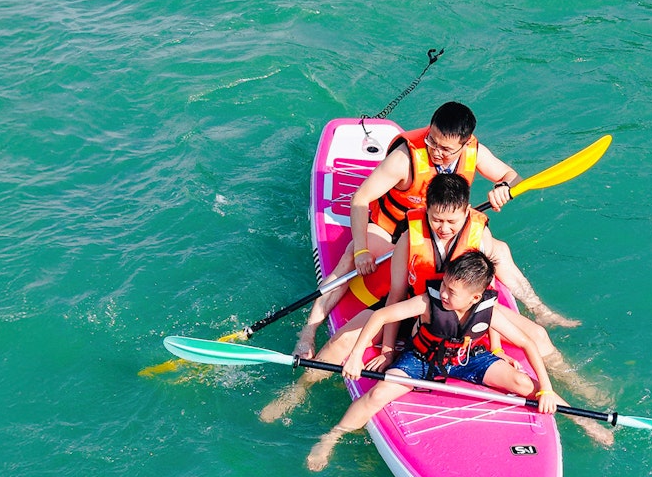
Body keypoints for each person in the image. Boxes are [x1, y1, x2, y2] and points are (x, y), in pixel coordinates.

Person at [261, 174, 614, 449]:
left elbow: (488, 290)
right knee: (340, 343)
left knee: (536, 337)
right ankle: (296, 393)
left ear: (466, 213)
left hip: (465, 307)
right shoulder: (410, 236)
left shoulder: (479, 232)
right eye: (436, 219)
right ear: (427, 210)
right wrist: (387, 350)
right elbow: (396, 294)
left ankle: (580, 409)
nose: (443, 227)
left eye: (451, 221)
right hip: (418, 306)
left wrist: (494, 349)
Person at [292, 101, 578, 359]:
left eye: (445, 148)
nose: (436, 151)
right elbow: (360, 199)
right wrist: (365, 248)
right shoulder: (405, 158)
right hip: (391, 230)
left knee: (499, 250)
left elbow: (511, 177)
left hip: (439, 228)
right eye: (433, 141)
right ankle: (308, 331)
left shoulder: (475, 152)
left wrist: (503, 189)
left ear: (464, 145)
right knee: (352, 254)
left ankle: (540, 310)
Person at [306, 252, 562, 471]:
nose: (444, 293)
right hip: (422, 360)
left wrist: (547, 389)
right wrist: (355, 357)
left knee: (524, 383)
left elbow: (528, 343)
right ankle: (331, 438)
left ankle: (582, 420)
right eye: (445, 286)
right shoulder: (429, 302)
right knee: (377, 395)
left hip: (466, 359)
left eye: (452, 291)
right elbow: (381, 316)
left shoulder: (487, 310)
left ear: (475, 298)